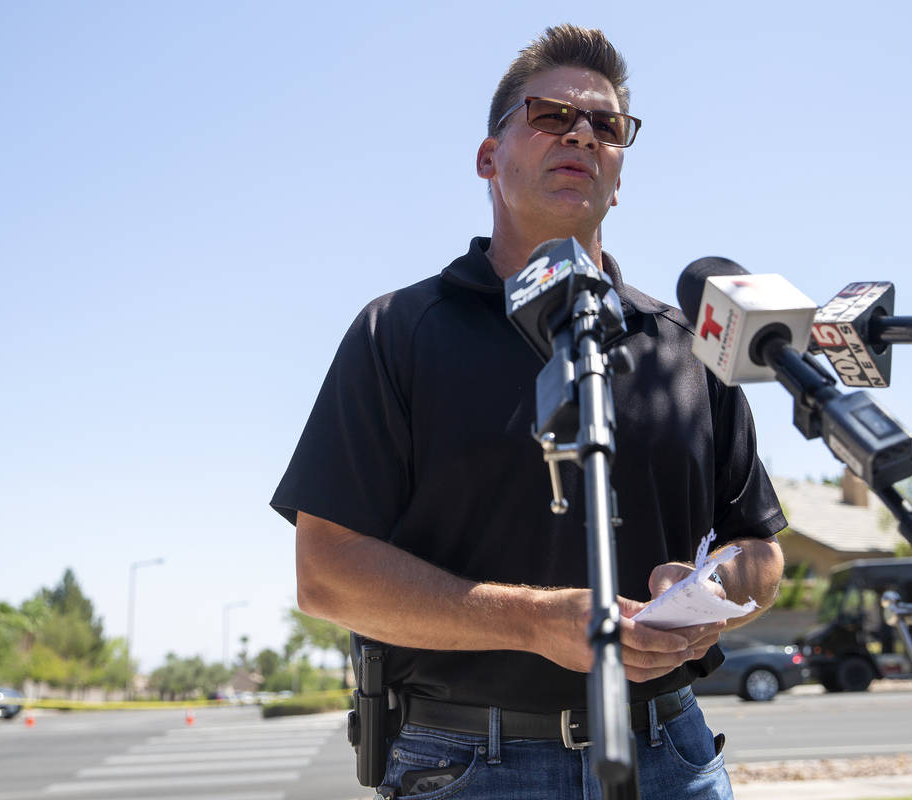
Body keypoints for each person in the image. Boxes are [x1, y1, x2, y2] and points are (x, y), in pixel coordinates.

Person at [271, 23, 786, 800]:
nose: (581, 132)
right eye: (551, 116)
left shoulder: (689, 345)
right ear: (489, 157)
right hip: (470, 764)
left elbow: (762, 548)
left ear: (620, 175)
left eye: (606, 126)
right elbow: (327, 576)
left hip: (671, 755)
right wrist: (528, 621)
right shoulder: (398, 333)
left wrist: (713, 595)